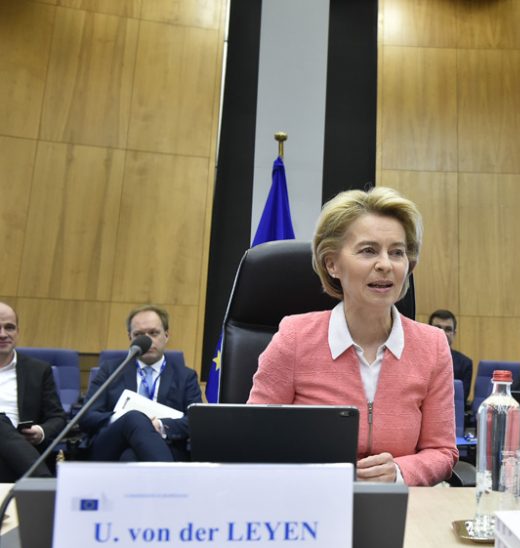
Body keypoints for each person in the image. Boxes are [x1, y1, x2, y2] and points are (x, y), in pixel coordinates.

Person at [248, 187, 459, 486]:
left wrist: (399, 473)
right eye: (368, 250)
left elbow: (441, 450)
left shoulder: (433, 345)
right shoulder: (294, 337)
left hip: (399, 509)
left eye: (397, 252)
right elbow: (254, 437)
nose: (386, 264)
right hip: (310, 503)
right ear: (332, 264)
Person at [81, 305, 202, 462]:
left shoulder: (185, 376)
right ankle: (171, 480)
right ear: (130, 338)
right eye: (139, 334)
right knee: (134, 418)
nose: (147, 340)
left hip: (164, 446)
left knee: (130, 457)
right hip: (112, 445)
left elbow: (195, 421)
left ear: (166, 335)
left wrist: (159, 425)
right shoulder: (111, 370)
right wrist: (122, 419)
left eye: (153, 333)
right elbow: (87, 417)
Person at [0, 302, 66, 481]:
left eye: (9, 328)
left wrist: (40, 431)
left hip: (20, 453)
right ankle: (42, 483)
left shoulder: (38, 370)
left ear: (18, 332)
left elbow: (58, 417)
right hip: (25, 463)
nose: (3, 334)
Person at [428, 309, 473, 405]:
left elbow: (460, 399)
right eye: (438, 327)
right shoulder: (417, 359)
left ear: (454, 334)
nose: (442, 333)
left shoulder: (465, 364)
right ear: (428, 330)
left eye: (448, 329)